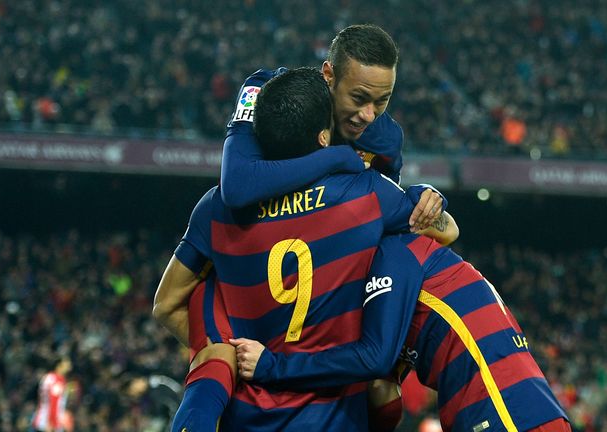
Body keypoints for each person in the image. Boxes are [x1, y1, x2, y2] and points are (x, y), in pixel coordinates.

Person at [153, 67, 458, 432]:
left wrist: (221, 361)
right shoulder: (367, 194)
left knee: (208, 291)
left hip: (247, 413)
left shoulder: (216, 209)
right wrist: (428, 194)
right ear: (325, 136)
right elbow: (446, 229)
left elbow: (166, 305)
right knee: (382, 383)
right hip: (337, 414)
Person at [233, 233, 571, 432]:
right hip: (503, 414)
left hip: (507, 413)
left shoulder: (395, 252)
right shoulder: (397, 297)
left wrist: (274, 367)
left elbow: (374, 359)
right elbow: (386, 399)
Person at [218, 24, 442, 231]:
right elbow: (237, 186)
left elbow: (384, 210)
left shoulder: (386, 139)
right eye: (358, 97)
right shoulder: (266, 93)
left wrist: (426, 198)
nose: (368, 115)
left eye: (382, 100)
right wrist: (338, 157)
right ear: (329, 75)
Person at [31, 357, 72, 432]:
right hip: (48, 423)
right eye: (66, 363)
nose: (69, 366)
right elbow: (54, 402)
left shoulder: (47, 377)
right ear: (59, 366)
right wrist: (52, 423)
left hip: (40, 419)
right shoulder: (57, 380)